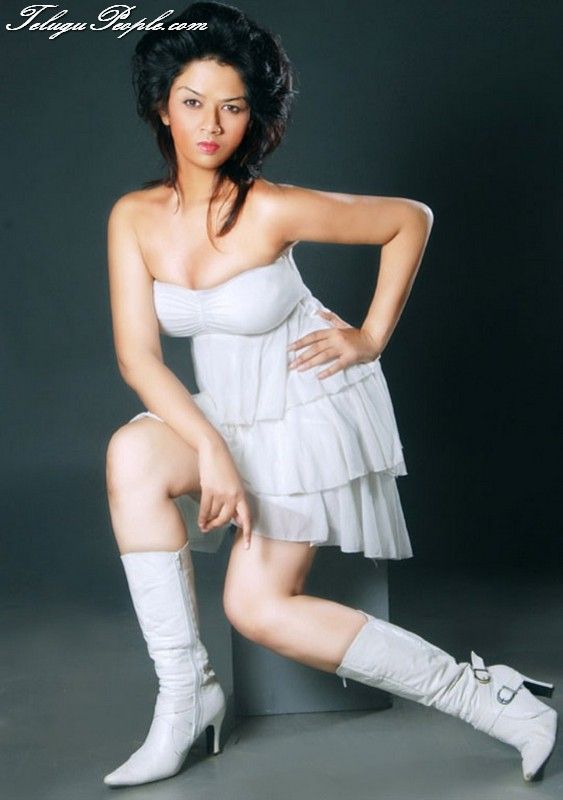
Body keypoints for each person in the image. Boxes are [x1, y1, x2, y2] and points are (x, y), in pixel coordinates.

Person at [103, 0, 558, 788]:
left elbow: (408, 219)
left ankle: (495, 700)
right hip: (224, 414)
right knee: (131, 455)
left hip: (301, 412)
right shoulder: (133, 218)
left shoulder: (272, 208)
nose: (211, 124)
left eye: (232, 106)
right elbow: (138, 358)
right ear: (161, 107)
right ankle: (185, 697)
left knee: (258, 609)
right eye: (193, 102)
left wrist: (370, 337)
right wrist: (209, 448)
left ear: (253, 116)